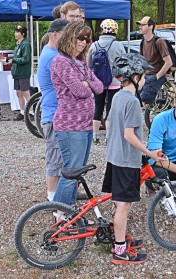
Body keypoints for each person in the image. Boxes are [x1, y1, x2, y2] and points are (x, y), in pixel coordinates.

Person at [102, 53, 166, 265]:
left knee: (118, 200)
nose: (146, 80)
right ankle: (120, 250)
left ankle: (117, 237)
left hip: (114, 157)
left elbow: (109, 124)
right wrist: (150, 153)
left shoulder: (118, 97)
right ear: (136, 77)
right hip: (126, 161)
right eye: (144, 76)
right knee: (124, 206)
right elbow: (129, 135)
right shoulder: (133, 102)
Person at [51, 22, 103, 206]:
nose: (84, 42)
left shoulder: (80, 62)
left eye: (87, 39)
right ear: (69, 37)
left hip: (85, 125)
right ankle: (61, 211)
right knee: (72, 170)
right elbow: (79, 91)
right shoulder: (60, 61)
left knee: (77, 171)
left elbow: (99, 86)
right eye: (80, 37)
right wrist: (86, 84)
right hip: (71, 126)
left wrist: (86, 83)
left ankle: (69, 209)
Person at [37, 19, 69, 201]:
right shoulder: (52, 56)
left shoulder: (52, 53)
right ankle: (53, 202)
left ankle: (59, 201)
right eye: (66, 35)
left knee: (59, 160)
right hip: (54, 116)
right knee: (55, 161)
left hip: (56, 114)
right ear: (55, 34)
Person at [87, 19, 126, 144]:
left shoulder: (94, 45)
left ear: (102, 30)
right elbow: (124, 64)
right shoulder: (118, 45)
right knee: (111, 109)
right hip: (114, 82)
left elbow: (89, 64)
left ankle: (95, 135)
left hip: (98, 83)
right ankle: (108, 136)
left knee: (98, 107)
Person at [137, 16, 173, 105]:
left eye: (143, 25)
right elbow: (142, 62)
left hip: (156, 76)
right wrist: (141, 77)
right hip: (146, 75)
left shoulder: (158, 42)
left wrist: (157, 77)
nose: (140, 27)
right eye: (139, 25)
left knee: (143, 98)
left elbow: (169, 62)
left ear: (150, 27)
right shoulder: (142, 42)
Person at [9, 26, 31, 121]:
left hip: (23, 72)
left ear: (23, 34)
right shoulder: (18, 44)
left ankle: (31, 112)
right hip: (17, 73)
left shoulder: (25, 44)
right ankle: (22, 112)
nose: (15, 34)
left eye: (17, 32)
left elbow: (26, 59)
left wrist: (14, 60)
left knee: (25, 93)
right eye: (15, 32)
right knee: (18, 93)